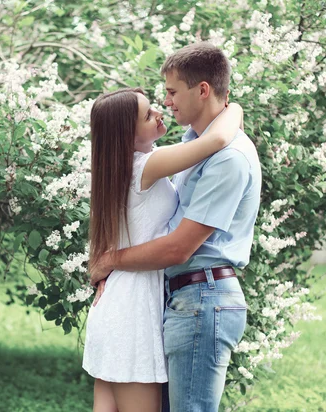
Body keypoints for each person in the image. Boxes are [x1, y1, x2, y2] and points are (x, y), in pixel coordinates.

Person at [90, 42, 262, 412]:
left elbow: (177, 247)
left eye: (169, 93)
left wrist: (110, 260)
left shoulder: (223, 157)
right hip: (151, 300)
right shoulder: (163, 159)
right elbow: (216, 135)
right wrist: (233, 109)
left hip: (190, 298)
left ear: (201, 90)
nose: (164, 105)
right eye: (150, 109)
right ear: (127, 134)